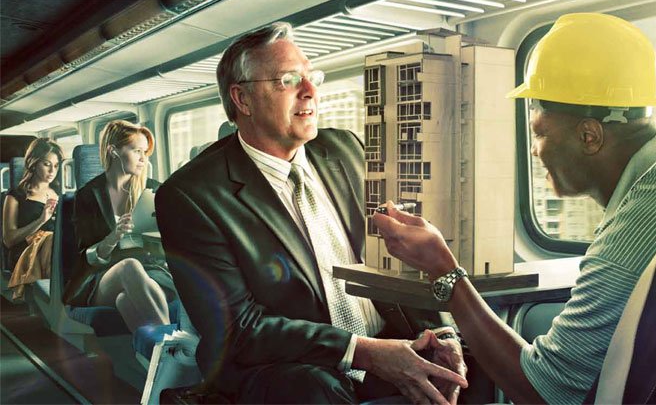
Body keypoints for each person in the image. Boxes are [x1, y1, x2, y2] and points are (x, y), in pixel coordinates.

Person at [372, 12, 656, 404]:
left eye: (541, 133)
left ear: (589, 136)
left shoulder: (641, 226)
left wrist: (445, 270)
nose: (535, 149)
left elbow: (543, 393)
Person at [156, 22, 467, 404]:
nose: (311, 91)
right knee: (314, 392)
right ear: (242, 99)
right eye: (288, 80)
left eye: (311, 76)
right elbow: (238, 329)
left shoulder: (345, 149)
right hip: (284, 364)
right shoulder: (191, 196)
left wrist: (443, 334)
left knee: (469, 365)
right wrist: (363, 351)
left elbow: (402, 258)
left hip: (384, 339)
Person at [66, 120, 178, 334]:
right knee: (129, 267)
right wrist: (114, 236)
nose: (143, 159)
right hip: (101, 278)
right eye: (137, 151)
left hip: (151, 272)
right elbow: (85, 257)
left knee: (125, 301)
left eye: (145, 152)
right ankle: (172, 346)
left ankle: (157, 359)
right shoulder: (88, 196)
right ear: (113, 151)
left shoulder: (154, 190)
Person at [3, 138, 62, 300]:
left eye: (56, 166)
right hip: (25, 252)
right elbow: (9, 239)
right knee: (51, 240)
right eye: (46, 164)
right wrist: (41, 220)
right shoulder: (16, 195)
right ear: (33, 163)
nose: (52, 171)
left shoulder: (60, 192)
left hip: (57, 249)